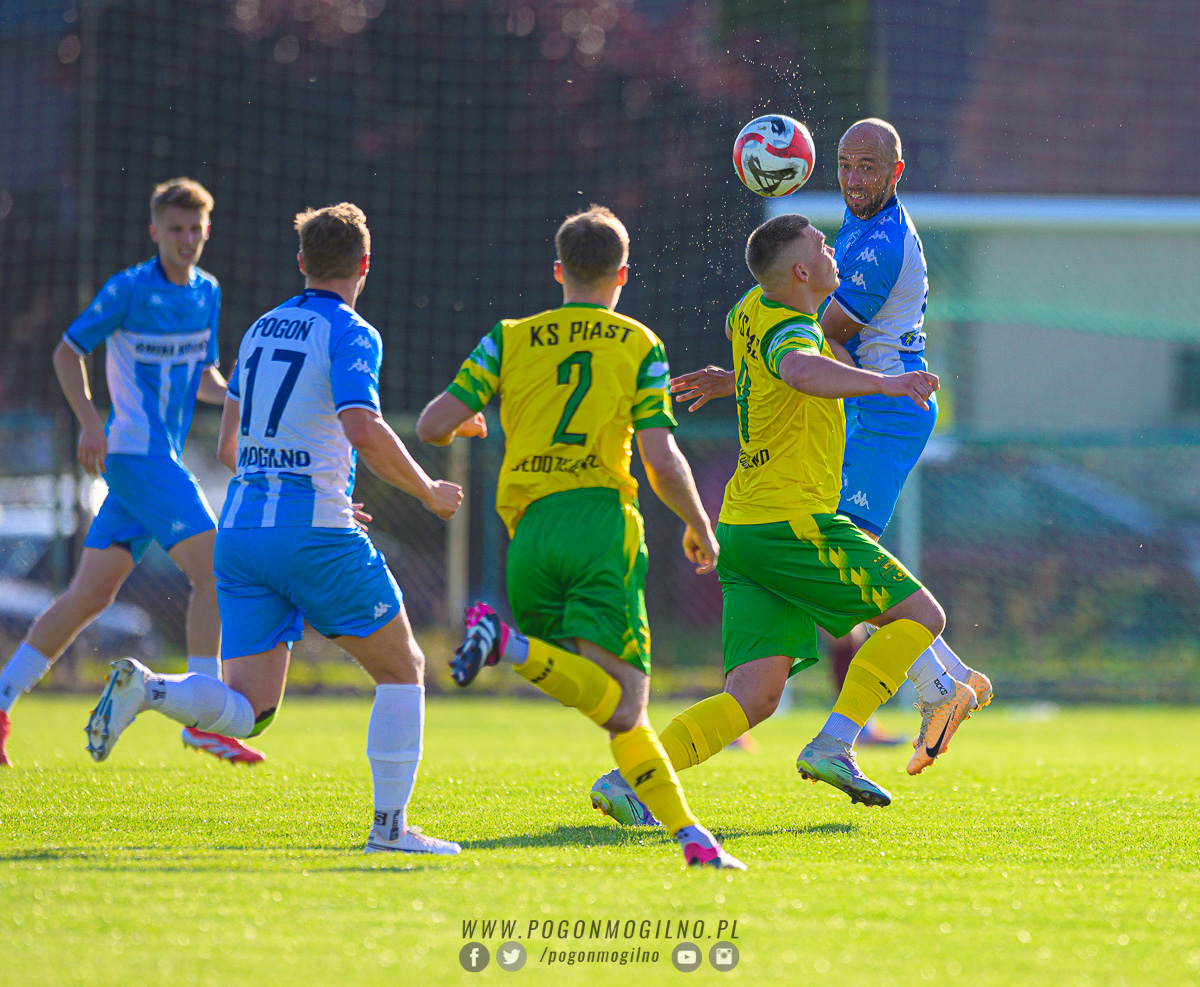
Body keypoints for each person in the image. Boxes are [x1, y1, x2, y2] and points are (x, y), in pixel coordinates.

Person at [86, 203, 465, 855]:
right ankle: (390, 830)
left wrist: (309, 488)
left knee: (250, 709)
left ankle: (150, 688)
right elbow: (363, 427)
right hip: (314, 532)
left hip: (241, 532)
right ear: (364, 265)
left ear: (301, 262)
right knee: (404, 667)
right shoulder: (352, 331)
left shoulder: (260, 330)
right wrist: (427, 490)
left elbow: (228, 446)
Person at [594, 212, 958, 816]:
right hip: (793, 523)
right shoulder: (794, 328)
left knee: (753, 697)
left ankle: (628, 781)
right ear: (801, 272)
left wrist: (737, 377)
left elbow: (760, 352)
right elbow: (797, 368)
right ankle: (836, 743)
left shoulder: (751, 307)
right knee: (923, 616)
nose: (831, 249)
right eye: (821, 245)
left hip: (743, 529)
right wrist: (884, 384)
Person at [416, 205, 744, 869]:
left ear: (559, 270)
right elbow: (660, 458)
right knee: (629, 703)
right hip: (598, 525)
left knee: (613, 706)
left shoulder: (509, 338)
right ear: (622, 274)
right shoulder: (638, 343)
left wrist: (470, 422)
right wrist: (697, 523)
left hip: (529, 534)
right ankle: (506, 643)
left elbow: (430, 425)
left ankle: (692, 839)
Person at [671, 119, 990, 772]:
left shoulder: (878, 246)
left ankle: (933, 689)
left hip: (885, 410)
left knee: (848, 566)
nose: (852, 179)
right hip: (860, 405)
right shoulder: (857, 225)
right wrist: (743, 375)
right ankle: (944, 683)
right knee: (843, 572)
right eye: (844, 165)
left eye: (867, 167)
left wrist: (760, 367)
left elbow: (821, 342)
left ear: (897, 172)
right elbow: (795, 352)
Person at [0, 178, 263, 767]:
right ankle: (203, 720)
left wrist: (243, 396)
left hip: (156, 463)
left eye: (195, 229)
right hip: (135, 456)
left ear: (207, 231)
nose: (186, 239)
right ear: (154, 231)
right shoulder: (128, 289)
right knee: (215, 569)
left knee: (89, 595)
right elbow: (67, 352)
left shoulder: (207, 292)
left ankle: (0, 699)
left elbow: (204, 378)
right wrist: (90, 422)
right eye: (175, 229)